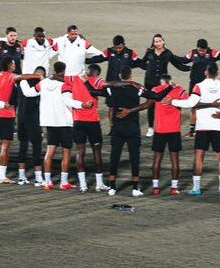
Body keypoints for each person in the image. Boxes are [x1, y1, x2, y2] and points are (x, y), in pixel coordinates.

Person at [172, 62, 220, 195]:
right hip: (219, 126)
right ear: (217, 73)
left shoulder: (199, 86)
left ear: (205, 72)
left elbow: (190, 103)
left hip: (203, 127)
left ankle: (196, 188)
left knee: (199, 157)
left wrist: (173, 102)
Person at [0, 55, 40, 183]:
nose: (15, 66)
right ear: (9, 65)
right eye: (13, 64)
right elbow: (22, 76)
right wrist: (37, 76)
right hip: (7, 115)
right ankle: (2, 176)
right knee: (5, 145)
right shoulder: (11, 76)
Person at [38, 61, 90, 190]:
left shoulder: (43, 83)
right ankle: (63, 182)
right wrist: (82, 105)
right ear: (64, 70)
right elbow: (67, 101)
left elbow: (31, 92)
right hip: (64, 122)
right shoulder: (64, 85)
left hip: (49, 121)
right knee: (66, 152)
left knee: (50, 151)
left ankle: (47, 182)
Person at [141, 73, 187, 194]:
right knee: (175, 161)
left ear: (161, 82)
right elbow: (189, 102)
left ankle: (155, 188)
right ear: (170, 81)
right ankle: (174, 188)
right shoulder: (180, 90)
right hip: (174, 130)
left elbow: (147, 104)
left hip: (160, 130)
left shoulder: (156, 90)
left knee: (157, 160)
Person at [105, 66, 148, 197]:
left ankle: (112, 187)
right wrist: (131, 110)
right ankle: (135, 188)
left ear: (120, 76)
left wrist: (112, 125)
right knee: (134, 157)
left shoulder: (112, 89)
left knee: (114, 157)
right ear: (131, 77)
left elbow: (111, 110)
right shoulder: (137, 89)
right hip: (133, 128)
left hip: (118, 128)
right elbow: (149, 102)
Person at [134, 34, 187, 137]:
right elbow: (142, 63)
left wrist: (190, 68)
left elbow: (178, 65)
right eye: (155, 41)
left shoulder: (168, 53)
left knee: (162, 104)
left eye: (159, 41)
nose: (157, 43)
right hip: (149, 82)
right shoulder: (149, 52)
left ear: (163, 42)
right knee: (150, 104)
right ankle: (150, 128)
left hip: (162, 84)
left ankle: (160, 126)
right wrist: (149, 68)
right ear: (153, 43)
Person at [69, 64, 110, 192]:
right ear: (97, 73)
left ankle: (83, 185)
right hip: (92, 121)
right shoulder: (98, 81)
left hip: (77, 121)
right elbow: (107, 91)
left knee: (80, 152)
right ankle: (99, 184)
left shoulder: (74, 79)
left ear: (88, 70)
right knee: (97, 152)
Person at [177, 40, 220, 138]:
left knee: (207, 106)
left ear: (207, 48)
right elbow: (183, 60)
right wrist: (171, 56)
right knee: (194, 106)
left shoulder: (212, 53)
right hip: (194, 84)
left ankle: (207, 128)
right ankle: (192, 131)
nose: (201, 52)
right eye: (200, 50)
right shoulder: (193, 53)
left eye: (203, 51)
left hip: (207, 86)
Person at [17, 67, 46, 186]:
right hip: (33, 119)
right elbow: (31, 94)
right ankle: (39, 178)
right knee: (37, 147)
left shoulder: (22, 81)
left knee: (23, 146)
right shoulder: (41, 85)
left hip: (21, 118)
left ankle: (21, 177)